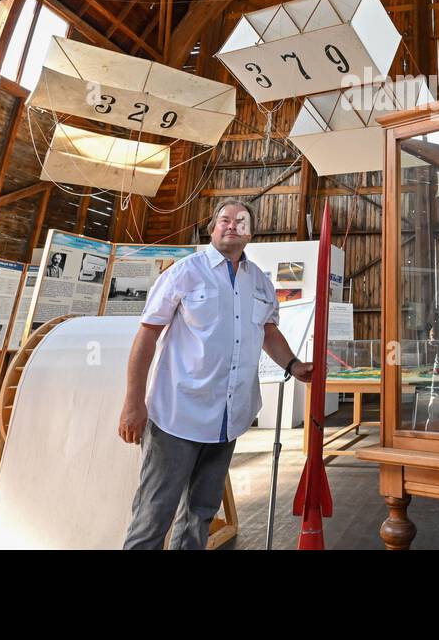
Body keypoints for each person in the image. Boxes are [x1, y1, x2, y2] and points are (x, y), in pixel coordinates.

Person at [118, 200, 311, 549]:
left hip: (228, 419)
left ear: (250, 233)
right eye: (224, 220)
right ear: (212, 228)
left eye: (241, 221)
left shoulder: (261, 284)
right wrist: (133, 403)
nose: (232, 225)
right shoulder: (184, 273)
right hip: (176, 416)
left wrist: (294, 365)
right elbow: (146, 334)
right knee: (153, 515)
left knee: (201, 514)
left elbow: (268, 332)